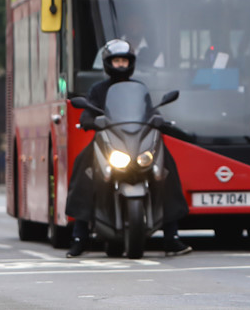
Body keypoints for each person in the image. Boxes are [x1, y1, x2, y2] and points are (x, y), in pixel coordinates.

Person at [65, 39, 191, 258]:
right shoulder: (97, 90)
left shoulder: (139, 89)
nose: (120, 65)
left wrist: (159, 119)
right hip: (109, 143)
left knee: (166, 168)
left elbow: (149, 112)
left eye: (124, 60)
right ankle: (80, 236)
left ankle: (172, 237)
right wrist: (88, 120)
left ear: (131, 63)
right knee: (83, 168)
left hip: (137, 143)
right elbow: (88, 112)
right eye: (116, 61)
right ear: (107, 63)